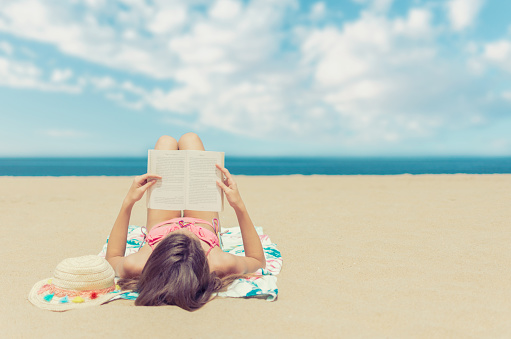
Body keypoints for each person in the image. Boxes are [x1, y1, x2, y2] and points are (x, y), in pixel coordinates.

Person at [105, 133, 266, 311]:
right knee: (191, 139)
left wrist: (128, 202)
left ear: (159, 256)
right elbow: (257, 260)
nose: (182, 229)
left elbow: (112, 258)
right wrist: (238, 205)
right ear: (201, 259)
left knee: (165, 142)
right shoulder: (219, 263)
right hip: (202, 223)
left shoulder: (138, 265)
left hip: (161, 226)